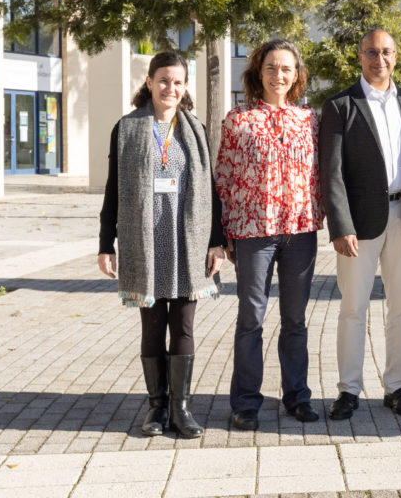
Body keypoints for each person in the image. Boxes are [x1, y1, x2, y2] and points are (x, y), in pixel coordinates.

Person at [97, 51, 225, 439]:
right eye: (164, 80)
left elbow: (211, 190)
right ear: (150, 82)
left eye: (179, 82)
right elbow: (113, 189)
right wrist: (107, 244)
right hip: (144, 242)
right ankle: (156, 408)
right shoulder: (127, 128)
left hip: (187, 241)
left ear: (186, 87)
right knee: (152, 328)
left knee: (183, 325)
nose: (171, 88)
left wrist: (216, 242)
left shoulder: (196, 129)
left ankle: (181, 409)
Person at [319, 29, 401, 420]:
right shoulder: (340, 106)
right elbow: (331, 173)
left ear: (396, 56)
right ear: (360, 57)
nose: (379, 59)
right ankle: (349, 390)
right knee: (353, 308)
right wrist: (340, 226)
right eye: (371, 52)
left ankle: (397, 387)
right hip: (359, 224)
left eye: (386, 52)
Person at [215, 39, 323, 431]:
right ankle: (245, 403)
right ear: (257, 72)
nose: (280, 75)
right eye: (272, 67)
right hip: (252, 232)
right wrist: (224, 232)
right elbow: (223, 177)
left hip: (300, 230)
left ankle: (297, 397)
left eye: (287, 69)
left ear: (297, 76)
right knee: (251, 319)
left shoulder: (310, 119)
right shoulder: (238, 120)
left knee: (295, 320)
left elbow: (322, 176)